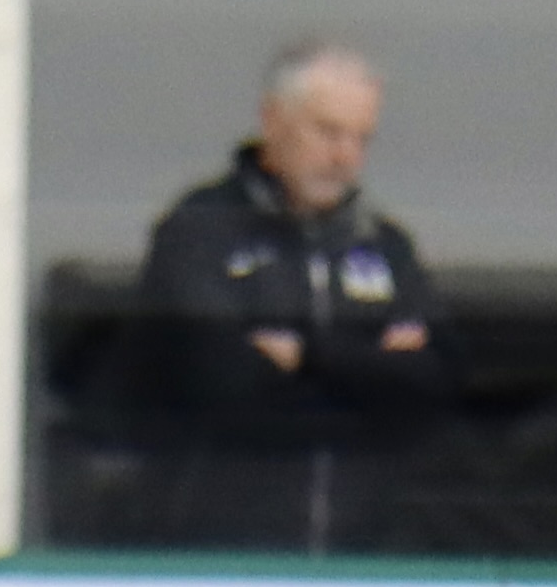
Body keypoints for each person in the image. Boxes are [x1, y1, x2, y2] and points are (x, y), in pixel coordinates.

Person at [130, 41, 455, 551]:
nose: (345, 157)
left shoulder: (383, 245)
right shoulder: (201, 231)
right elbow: (223, 384)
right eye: (328, 132)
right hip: (220, 559)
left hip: (362, 557)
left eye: (361, 139)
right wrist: (369, 371)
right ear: (273, 120)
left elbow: (430, 386)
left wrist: (305, 357)